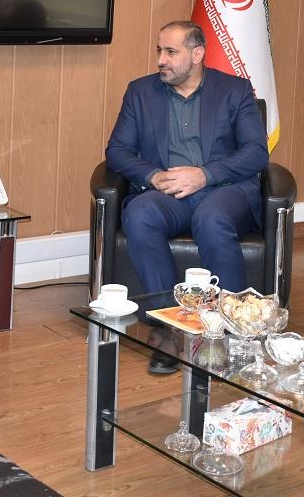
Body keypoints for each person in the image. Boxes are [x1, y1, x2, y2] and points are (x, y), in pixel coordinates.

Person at [106, 21, 268, 373]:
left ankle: (228, 331)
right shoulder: (140, 92)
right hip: (168, 192)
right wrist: (153, 176)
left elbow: (256, 153)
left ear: (197, 54)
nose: (161, 60)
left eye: (171, 52)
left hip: (223, 190)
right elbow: (117, 151)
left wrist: (204, 175)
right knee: (140, 214)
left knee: (212, 218)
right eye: (159, 51)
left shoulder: (235, 90)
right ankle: (169, 329)